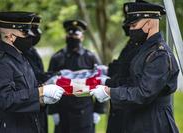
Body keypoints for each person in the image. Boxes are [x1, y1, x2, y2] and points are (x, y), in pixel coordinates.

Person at [90, 1, 180, 133]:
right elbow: (133, 81)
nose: (131, 30)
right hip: (139, 119)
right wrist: (108, 83)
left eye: (134, 25)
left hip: (154, 122)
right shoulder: (144, 50)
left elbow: (144, 93)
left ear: (149, 23)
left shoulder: (159, 54)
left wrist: (109, 92)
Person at [0, 11, 64, 133]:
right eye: (25, 32)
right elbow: (6, 99)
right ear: (10, 36)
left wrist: (43, 100)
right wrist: (41, 92)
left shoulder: (21, 59)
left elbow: (28, 90)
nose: (30, 36)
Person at [48, 19, 107, 133]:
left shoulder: (91, 58)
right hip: (63, 111)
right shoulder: (57, 58)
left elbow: (101, 81)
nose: (73, 37)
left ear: (82, 37)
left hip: (85, 111)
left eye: (76, 34)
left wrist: (98, 110)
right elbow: (50, 84)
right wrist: (53, 111)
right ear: (66, 36)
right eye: (70, 33)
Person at [22, 15, 49, 133]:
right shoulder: (23, 52)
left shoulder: (32, 50)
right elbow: (35, 75)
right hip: (29, 102)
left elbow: (40, 73)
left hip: (39, 102)